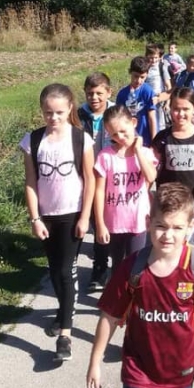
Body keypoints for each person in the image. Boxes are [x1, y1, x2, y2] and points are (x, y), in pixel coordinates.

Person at [86, 183, 194, 388]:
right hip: (138, 374)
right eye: (161, 226)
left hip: (181, 376)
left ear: (190, 227)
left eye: (177, 228)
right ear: (148, 223)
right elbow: (110, 317)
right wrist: (95, 362)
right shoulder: (132, 267)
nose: (168, 235)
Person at [22, 83, 95, 362]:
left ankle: (65, 334)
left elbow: (90, 180)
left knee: (66, 270)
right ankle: (62, 312)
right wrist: (35, 218)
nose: (53, 118)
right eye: (48, 112)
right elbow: (31, 182)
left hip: (72, 214)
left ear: (70, 109)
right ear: (42, 111)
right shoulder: (33, 140)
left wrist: (85, 217)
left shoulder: (80, 139)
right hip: (47, 216)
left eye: (59, 112)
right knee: (54, 270)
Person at [93, 105, 158, 272]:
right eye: (114, 134)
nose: (120, 137)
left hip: (138, 220)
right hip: (114, 222)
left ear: (133, 123)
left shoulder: (145, 153)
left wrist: (137, 151)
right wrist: (100, 223)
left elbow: (151, 176)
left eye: (123, 131)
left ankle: (134, 290)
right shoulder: (105, 156)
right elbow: (99, 191)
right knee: (118, 266)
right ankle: (117, 289)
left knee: (136, 265)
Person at [151, 88, 194, 227]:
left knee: (188, 236)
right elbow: (150, 169)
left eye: (185, 109)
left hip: (192, 202)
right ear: (170, 108)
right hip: (167, 202)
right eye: (176, 109)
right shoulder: (162, 137)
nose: (180, 114)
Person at [79, 71, 115, 292]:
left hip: (114, 178)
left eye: (99, 93)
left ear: (109, 92)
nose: (94, 98)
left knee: (116, 224)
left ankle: (121, 268)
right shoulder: (78, 116)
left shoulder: (117, 113)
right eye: (90, 93)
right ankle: (99, 270)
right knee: (98, 222)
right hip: (88, 178)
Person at [116, 57, 157, 147]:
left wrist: (154, 142)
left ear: (147, 75)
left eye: (142, 77)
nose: (138, 80)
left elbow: (152, 118)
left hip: (145, 138)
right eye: (136, 76)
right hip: (128, 139)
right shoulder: (122, 94)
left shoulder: (148, 91)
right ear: (130, 72)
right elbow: (119, 118)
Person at [144, 44, 173, 134]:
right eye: (151, 58)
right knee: (149, 122)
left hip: (160, 99)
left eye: (156, 57)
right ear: (147, 56)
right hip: (147, 99)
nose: (153, 60)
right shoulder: (145, 68)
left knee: (161, 124)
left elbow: (168, 86)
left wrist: (167, 103)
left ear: (159, 57)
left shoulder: (161, 67)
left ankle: (160, 140)